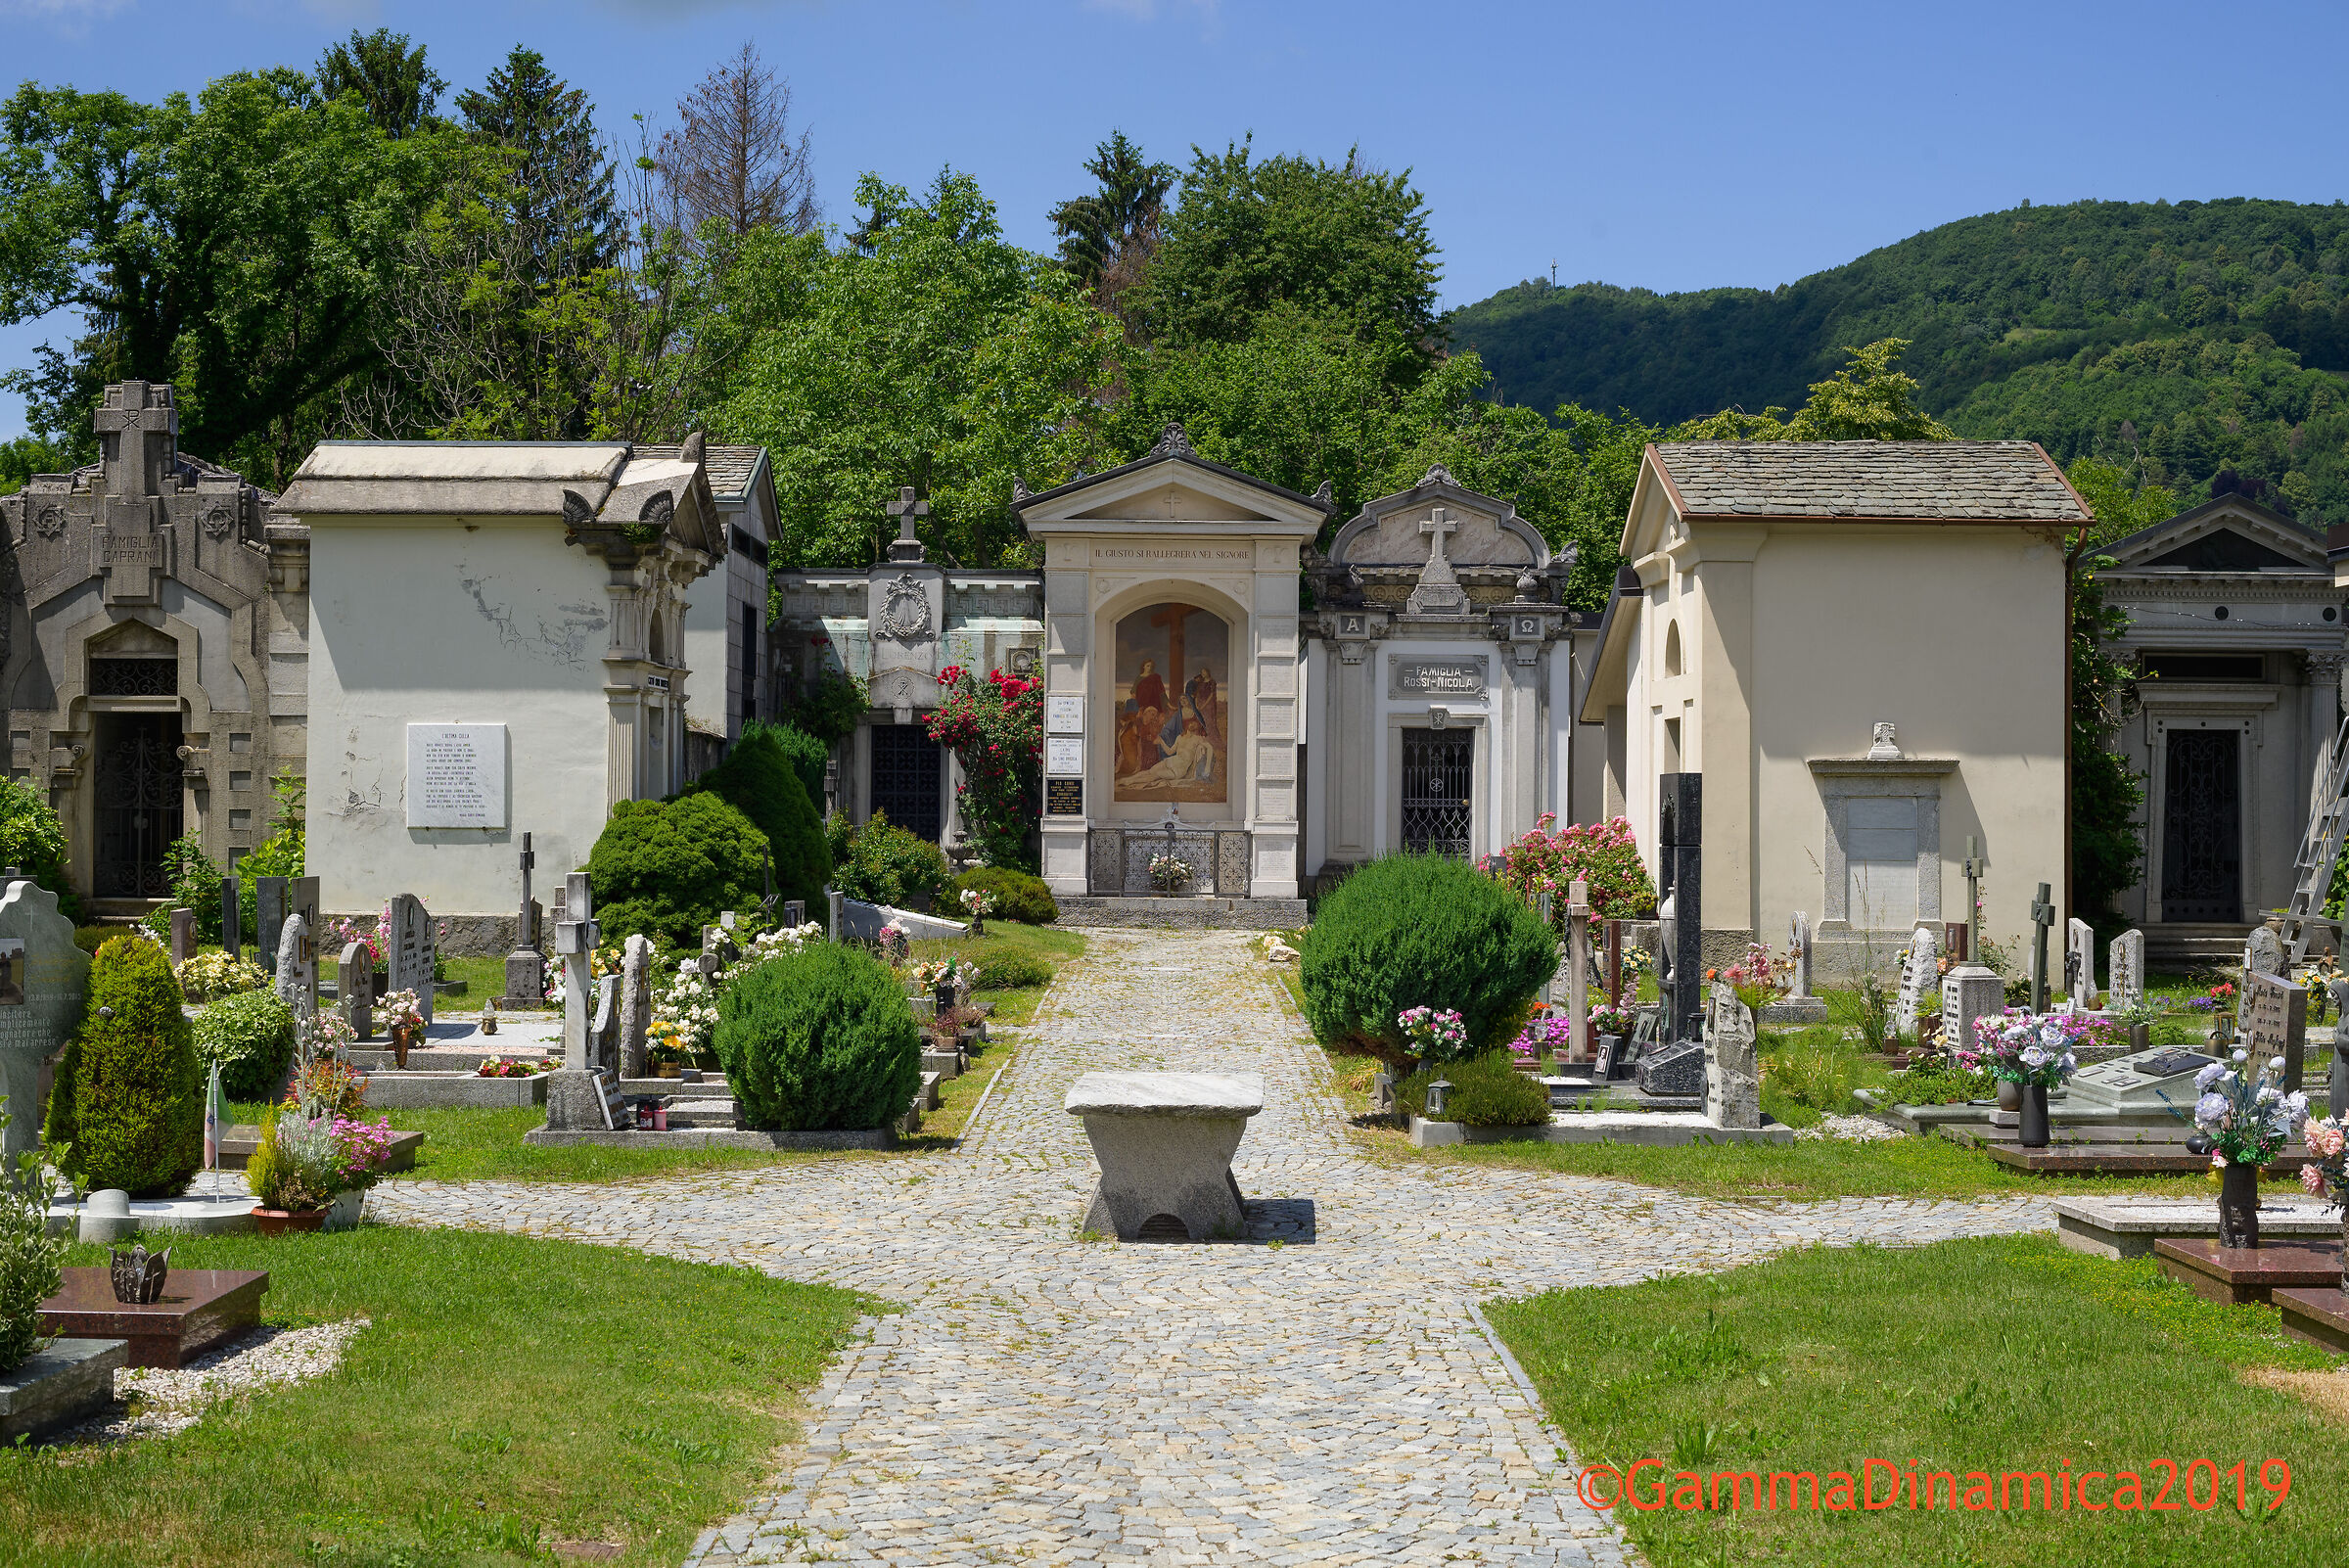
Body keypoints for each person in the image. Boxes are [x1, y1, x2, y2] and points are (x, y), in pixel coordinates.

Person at [1119, 715, 1214, 790]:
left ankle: (1131, 782)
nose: (1193, 724)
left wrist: (1207, 767)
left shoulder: (1197, 739)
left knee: (1156, 775)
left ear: (1198, 728)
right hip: (1171, 761)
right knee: (1150, 771)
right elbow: (1170, 752)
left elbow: (1210, 748)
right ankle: (1127, 779)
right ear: (1187, 725)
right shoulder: (1180, 737)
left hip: (1178, 769)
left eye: (1195, 723)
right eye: (1191, 723)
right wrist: (1161, 742)